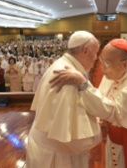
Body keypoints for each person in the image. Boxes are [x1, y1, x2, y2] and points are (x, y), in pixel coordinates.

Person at [49, 38, 127, 168]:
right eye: (101, 60)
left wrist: (82, 83)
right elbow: (101, 98)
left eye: (107, 62)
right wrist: (98, 116)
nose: (102, 67)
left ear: (125, 65)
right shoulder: (111, 75)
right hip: (114, 138)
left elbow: (114, 110)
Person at [26, 31, 102, 168]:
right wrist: (96, 126)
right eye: (96, 52)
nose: (96, 58)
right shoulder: (68, 76)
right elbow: (79, 141)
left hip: (44, 147)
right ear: (85, 51)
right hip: (58, 157)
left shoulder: (62, 64)